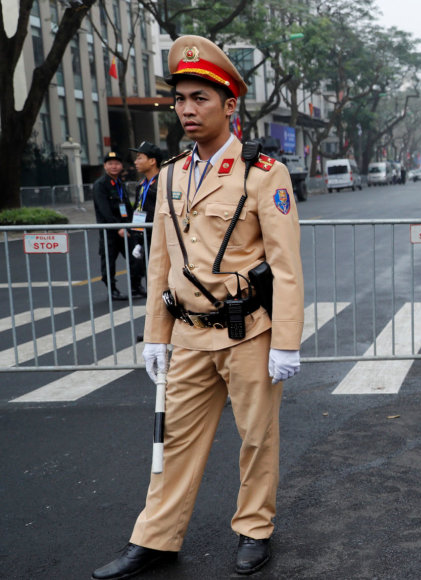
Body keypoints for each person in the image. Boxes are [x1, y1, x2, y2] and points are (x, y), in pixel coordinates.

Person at [92, 35, 305, 579]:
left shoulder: (263, 174)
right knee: (173, 441)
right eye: (180, 98)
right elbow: (161, 266)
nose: (187, 109)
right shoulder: (167, 177)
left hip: (248, 333)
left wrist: (285, 341)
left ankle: (255, 528)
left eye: (200, 98)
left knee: (257, 439)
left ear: (229, 105)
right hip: (188, 335)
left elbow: (285, 268)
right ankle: (156, 538)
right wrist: (155, 336)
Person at [92, 151, 145, 300]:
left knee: (135, 257)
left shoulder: (120, 184)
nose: (114, 166)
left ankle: (136, 287)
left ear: (121, 166)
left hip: (126, 230)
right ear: (105, 166)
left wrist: (131, 225)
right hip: (110, 231)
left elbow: (127, 207)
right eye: (110, 164)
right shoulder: (100, 185)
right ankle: (112, 289)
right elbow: (105, 211)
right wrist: (118, 227)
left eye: (116, 164)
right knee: (109, 261)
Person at [127, 141, 163, 286]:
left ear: (152, 161)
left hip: (159, 237)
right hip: (145, 235)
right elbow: (138, 210)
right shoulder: (141, 184)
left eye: (140, 157)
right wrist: (137, 239)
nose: (136, 162)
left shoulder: (163, 183)